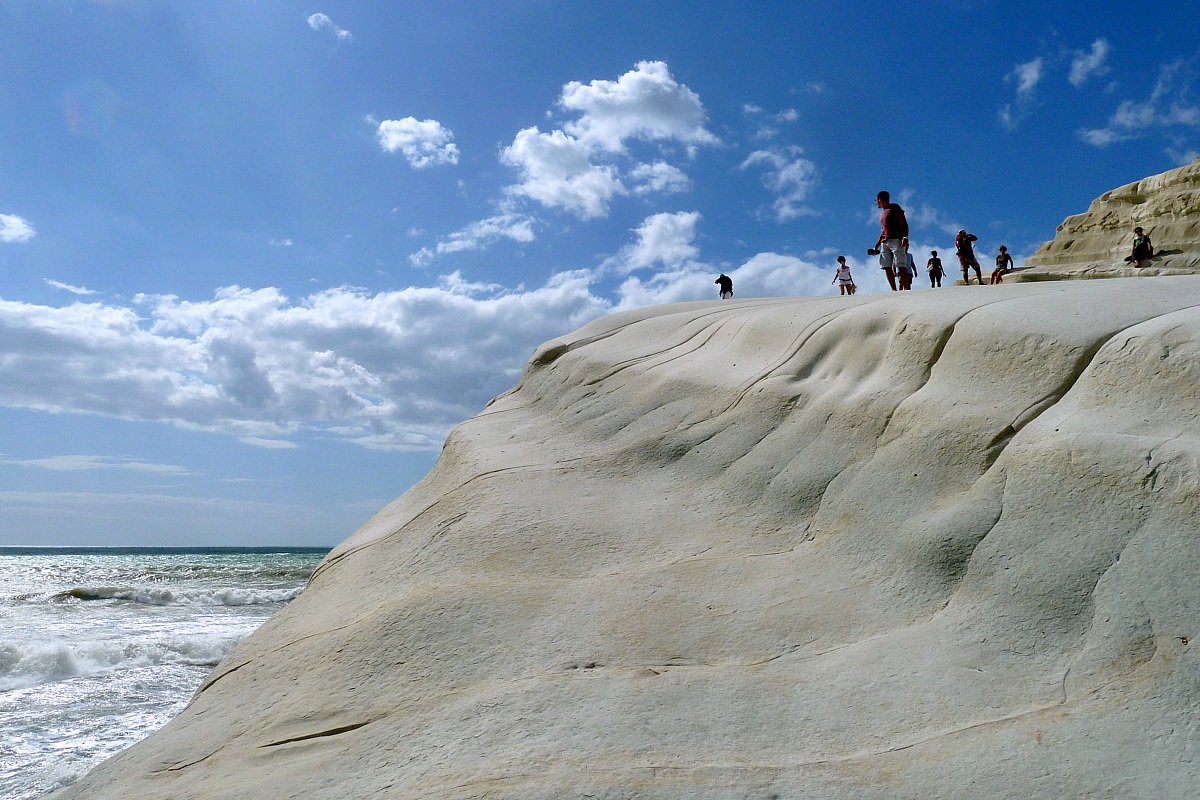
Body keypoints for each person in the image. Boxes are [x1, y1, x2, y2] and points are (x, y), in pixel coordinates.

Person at [872, 191, 908, 292]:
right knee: (886, 265)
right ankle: (894, 290)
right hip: (885, 242)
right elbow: (883, 230)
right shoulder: (882, 214)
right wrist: (877, 245)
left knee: (900, 264)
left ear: (880, 199)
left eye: (877, 200)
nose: (876, 202)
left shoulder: (895, 208)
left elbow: (903, 223)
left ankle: (905, 288)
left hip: (896, 239)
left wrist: (905, 237)